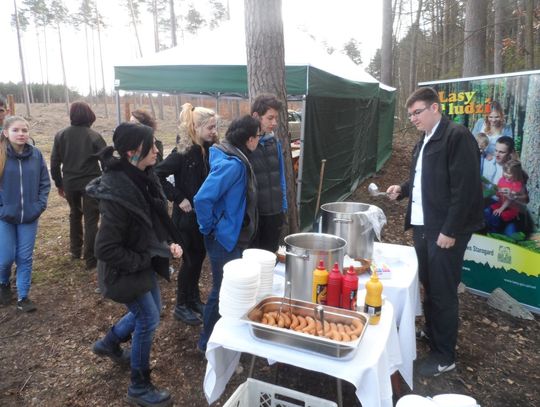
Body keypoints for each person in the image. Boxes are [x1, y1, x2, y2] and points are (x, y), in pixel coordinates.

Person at [386, 87, 484, 377]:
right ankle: (432, 332)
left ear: (435, 108)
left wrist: (450, 229)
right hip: (423, 228)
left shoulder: (456, 136)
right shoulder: (425, 140)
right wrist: (402, 189)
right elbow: (420, 176)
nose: (413, 119)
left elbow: (465, 188)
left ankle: (445, 356)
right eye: (410, 115)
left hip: (444, 231)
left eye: (417, 112)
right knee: (428, 286)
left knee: (443, 292)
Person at [86, 122, 182, 407]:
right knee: (148, 318)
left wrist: (165, 245)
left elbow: (148, 223)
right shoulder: (118, 194)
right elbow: (104, 248)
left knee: (154, 309)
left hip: (141, 262)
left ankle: (110, 343)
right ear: (131, 153)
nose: (156, 149)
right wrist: (145, 258)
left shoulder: (143, 176)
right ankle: (139, 386)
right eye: (150, 146)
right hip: (123, 271)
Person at [194, 115, 259, 353]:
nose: (259, 141)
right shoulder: (232, 165)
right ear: (250, 139)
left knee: (227, 288)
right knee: (221, 290)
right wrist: (210, 227)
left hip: (232, 236)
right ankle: (207, 343)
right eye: (258, 137)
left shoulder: (237, 158)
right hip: (223, 239)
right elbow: (202, 199)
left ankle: (223, 338)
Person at [154, 103, 218, 326]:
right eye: (210, 127)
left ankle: (193, 299)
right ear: (197, 127)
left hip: (202, 218)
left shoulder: (210, 150)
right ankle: (181, 305)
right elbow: (156, 174)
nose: (214, 131)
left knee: (199, 259)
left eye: (214, 126)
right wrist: (178, 197)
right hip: (185, 220)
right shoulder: (183, 152)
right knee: (190, 262)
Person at [0, 116, 51, 312]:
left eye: (24, 130)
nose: (21, 134)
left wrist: (39, 205)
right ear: (6, 133)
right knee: (5, 257)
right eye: (16, 130)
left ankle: (23, 296)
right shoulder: (1, 155)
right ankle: (3, 283)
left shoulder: (36, 155)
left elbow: (45, 182)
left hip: (29, 216)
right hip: (5, 217)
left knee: (24, 256)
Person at [50, 101, 106, 270]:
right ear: (89, 116)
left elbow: (54, 163)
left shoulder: (61, 135)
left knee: (74, 214)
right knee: (91, 219)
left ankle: (75, 251)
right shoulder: (94, 136)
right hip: (92, 184)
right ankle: (91, 260)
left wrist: (59, 184)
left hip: (70, 184)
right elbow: (107, 161)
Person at [249, 94, 287, 253]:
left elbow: (281, 176)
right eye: (270, 118)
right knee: (253, 260)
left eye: (276, 118)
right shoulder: (246, 144)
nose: (274, 123)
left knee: (270, 257)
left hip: (275, 212)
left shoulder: (274, 142)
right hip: (255, 215)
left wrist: (283, 205)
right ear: (256, 116)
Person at [484, 159, 527, 233]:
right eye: (505, 172)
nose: (506, 174)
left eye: (509, 173)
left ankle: (494, 232)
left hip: (510, 208)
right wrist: (497, 191)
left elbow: (509, 199)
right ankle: (487, 228)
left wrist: (501, 209)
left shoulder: (517, 184)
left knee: (496, 216)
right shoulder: (502, 179)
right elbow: (498, 193)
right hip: (500, 204)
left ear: (516, 174)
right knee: (487, 211)